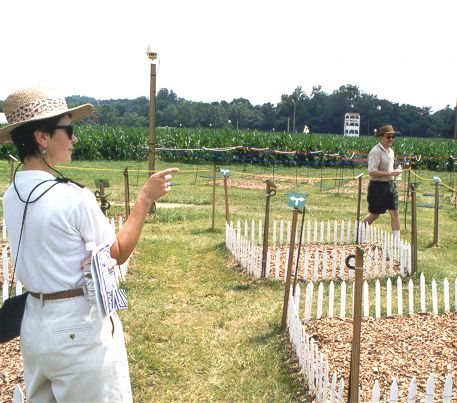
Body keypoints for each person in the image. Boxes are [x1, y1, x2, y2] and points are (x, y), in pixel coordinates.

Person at [0, 86, 178, 402]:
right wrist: (144, 198)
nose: (74, 139)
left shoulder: (12, 195)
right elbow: (116, 253)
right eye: (67, 130)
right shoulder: (73, 198)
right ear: (42, 137)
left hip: (34, 324)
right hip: (77, 327)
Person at [363, 124, 402, 239]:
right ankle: (359, 230)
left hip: (390, 185)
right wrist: (390, 173)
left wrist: (394, 172)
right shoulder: (375, 151)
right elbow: (371, 171)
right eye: (388, 137)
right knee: (375, 214)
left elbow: (389, 169)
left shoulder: (391, 151)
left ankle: (396, 242)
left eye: (392, 137)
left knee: (395, 212)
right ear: (381, 137)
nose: (391, 139)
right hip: (377, 186)